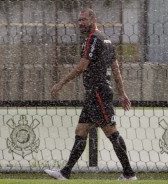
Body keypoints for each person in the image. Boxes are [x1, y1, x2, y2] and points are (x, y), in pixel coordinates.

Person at [44, 8, 137, 181]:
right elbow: (115, 68)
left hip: (98, 92)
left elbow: (81, 67)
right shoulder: (106, 40)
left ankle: (129, 173)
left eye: (83, 20)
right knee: (81, 130)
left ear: (93, 20)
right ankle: (65, 173)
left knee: (111, 131)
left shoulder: (93, 39)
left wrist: (60, 83)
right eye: (79, 20)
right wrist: (122, 93)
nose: (80, 24)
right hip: (96, 93)